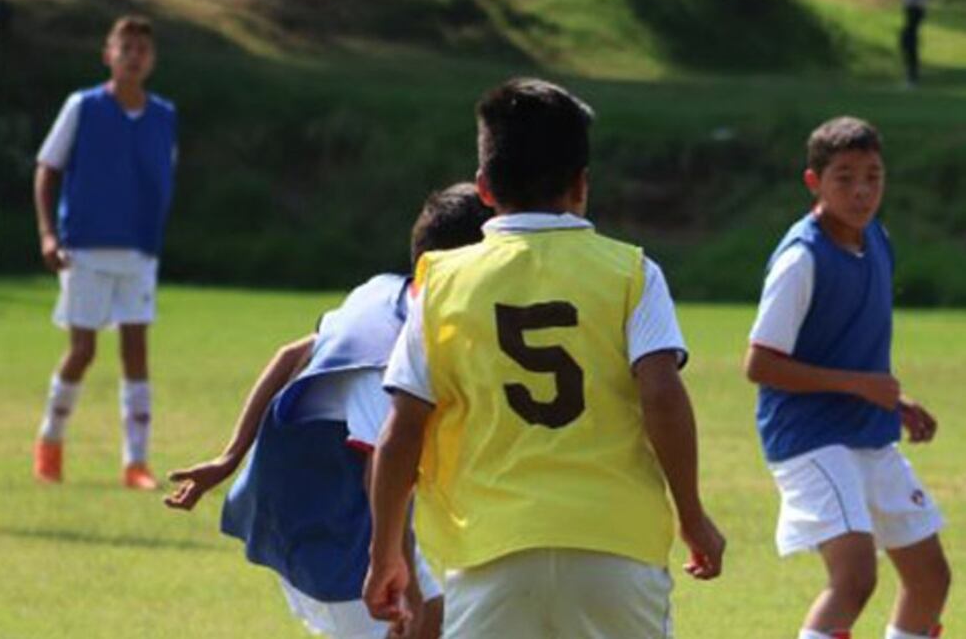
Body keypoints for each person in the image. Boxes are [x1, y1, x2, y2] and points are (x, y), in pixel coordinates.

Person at [364, 78, 725, 639]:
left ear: (484, 187)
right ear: (581, 184)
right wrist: (692, 516)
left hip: (491, 550)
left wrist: (385, 552)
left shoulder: (441, 284)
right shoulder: (632, 273)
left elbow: (402, 430)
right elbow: (661, 393)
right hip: (615, 543)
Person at [165, 183, 491, 639]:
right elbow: (381, 469)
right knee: (410, 617)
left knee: (432, 619)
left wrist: (229, 457)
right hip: (323, 528)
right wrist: (408, 588)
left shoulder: (383, 291)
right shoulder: (384, 358)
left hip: (352, 512)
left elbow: (291, 355)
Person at [744, 116, 950, 639]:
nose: (861, 191)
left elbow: (851, 346)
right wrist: (859, 386)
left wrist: (895, 401)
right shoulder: (801, 258)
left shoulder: (877, 239)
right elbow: (759, 364)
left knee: (930, 578)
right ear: (814, 182)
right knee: (855, 577)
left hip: (867, 431)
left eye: (873, 176)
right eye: (845, 178)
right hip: (810, 437)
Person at [31, 15, 177, 490]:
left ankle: (136, 461)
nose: (133, 56)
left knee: (136, 350)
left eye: (142, 49)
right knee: (83, 350)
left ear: (152, 60)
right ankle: (50, 441)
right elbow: (47, 168)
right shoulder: (84, 106)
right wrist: (48, 234)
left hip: (139, 250)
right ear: (108, 54)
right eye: (125, 48)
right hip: (86, 247)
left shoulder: (164, 115)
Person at [901, 0, 938, 87]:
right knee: (907, 39)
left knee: (908, 40)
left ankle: (912, 77)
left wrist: (915, 1)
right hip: (912, 8)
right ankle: (911, 75)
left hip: (916, 9)